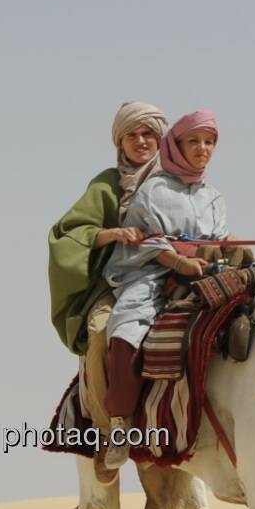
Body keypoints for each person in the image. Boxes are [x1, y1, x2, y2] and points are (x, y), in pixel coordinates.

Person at [102, 110, 228, 468]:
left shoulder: (214, 197)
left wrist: (226, 248)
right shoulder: (155, 189)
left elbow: (217, 239)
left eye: (209, 142)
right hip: (151, 275)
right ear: (176, 145)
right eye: (194, 141)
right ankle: (120, 426)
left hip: (204, 272)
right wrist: (177, 261)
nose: (202, 148)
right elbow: (144, 239)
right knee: (125, 333)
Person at [48, 101, 169, 440]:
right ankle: (108, 431)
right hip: (117, 283)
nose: (141, 141)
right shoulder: (106, 185)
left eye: (148, 133)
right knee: (102, 333)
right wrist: (113, 234)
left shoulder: (177, 181)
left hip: (174, 275)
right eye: (132, 134)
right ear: (120, 142)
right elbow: (66, 234)